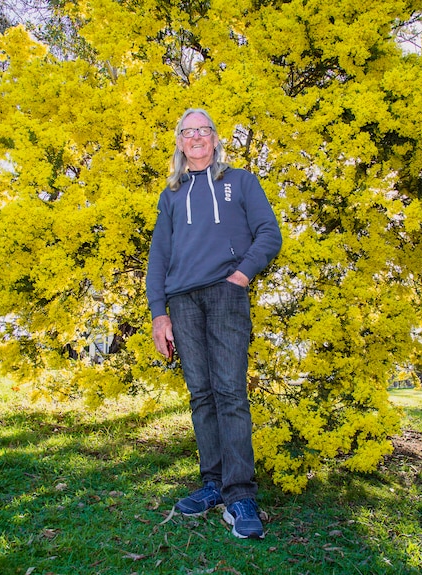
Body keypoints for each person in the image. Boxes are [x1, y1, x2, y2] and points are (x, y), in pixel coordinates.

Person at [146, 108, 282, 539]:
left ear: (215, 138)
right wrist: (158, 312)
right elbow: (158, 258)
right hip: (182, 302)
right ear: (180, 142)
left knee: (229, 393)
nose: (197, 137)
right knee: (201, 394)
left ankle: (240, 494)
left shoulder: (240, 181)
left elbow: (269, 233)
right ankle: (214, 485)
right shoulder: (170, 195)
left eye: (204, 130)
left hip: (226, 294)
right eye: (189, 132)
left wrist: (240, 275)